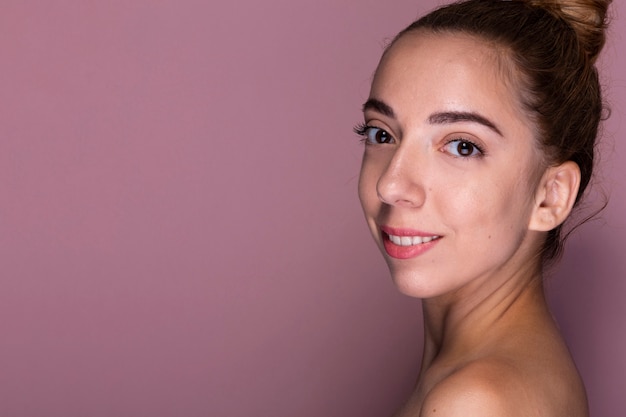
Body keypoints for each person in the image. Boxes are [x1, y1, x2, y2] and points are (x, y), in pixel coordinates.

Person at [354, 0, 611, 415]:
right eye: (381, 135)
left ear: (550, 196)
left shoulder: (474, 401)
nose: (391, 184)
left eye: (462, 146)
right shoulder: (517, 373)